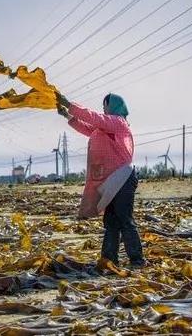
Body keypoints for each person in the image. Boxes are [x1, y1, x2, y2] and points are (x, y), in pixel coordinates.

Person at [56, 92, 145, 269]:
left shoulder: (117, 122)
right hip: (112, 181)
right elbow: (88, 128)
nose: (103, 109)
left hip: (123, 178)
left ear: (114, 107)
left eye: (105, 105)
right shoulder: (105, 126)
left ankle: (137, 260)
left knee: (125, 219)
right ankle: (109, 259)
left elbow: (94, 118)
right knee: (111, 221)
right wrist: (68, 115)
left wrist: (69, 104)